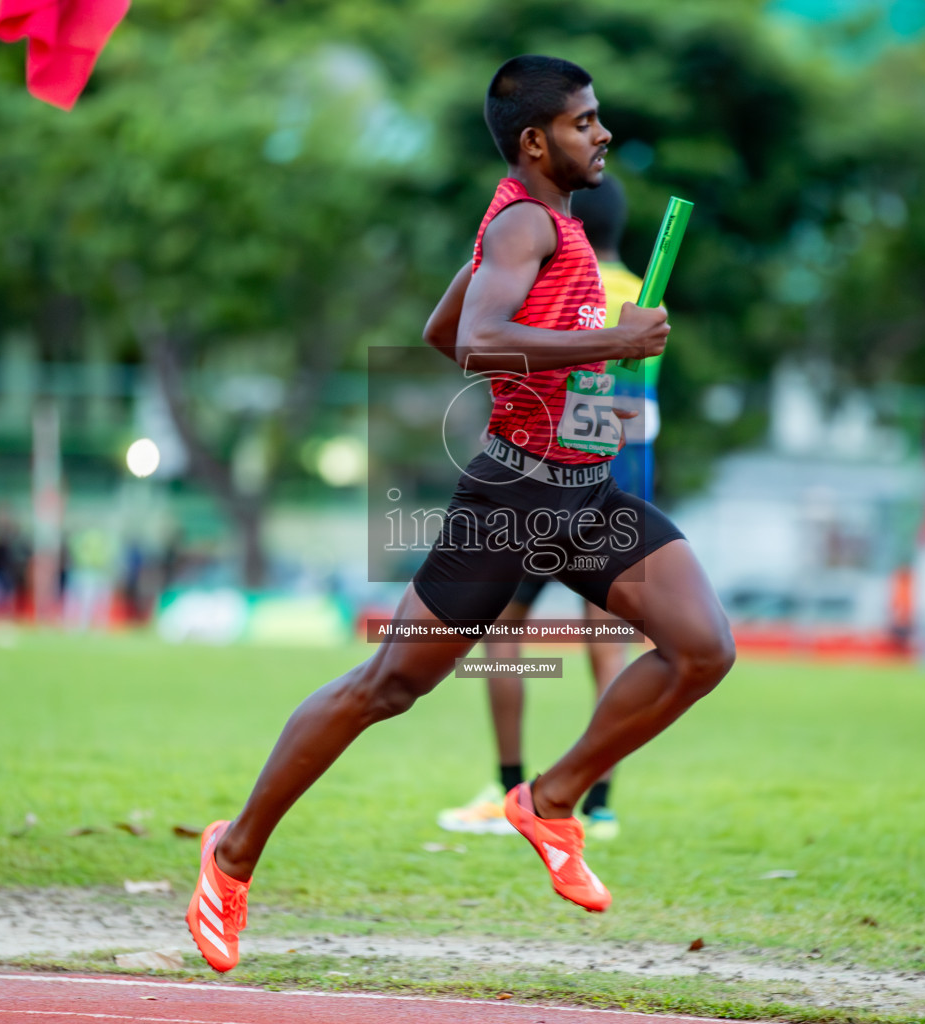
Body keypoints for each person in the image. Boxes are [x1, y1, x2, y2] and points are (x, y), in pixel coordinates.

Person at [185, 55, 734, 974]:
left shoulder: (533, 222)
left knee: (702, 647)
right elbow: (477, 344)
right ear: (535, 140)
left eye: (600, 119)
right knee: (386, 688)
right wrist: (614, 339)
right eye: (585, 121)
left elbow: (446, 333)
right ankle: (231, 853)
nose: (602, 133)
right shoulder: (525, 222)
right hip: (512, 502)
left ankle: (551, 800)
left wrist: (586, 379)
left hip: (585, 496)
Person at [435, 174, 662, 842]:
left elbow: (506, 361)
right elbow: (630, 405)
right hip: (618, 483)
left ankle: (510, 786)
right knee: (607, 641)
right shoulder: (645, 294)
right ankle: (600, 802)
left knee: (503, 634)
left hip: (544, 477)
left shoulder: (560, 278)